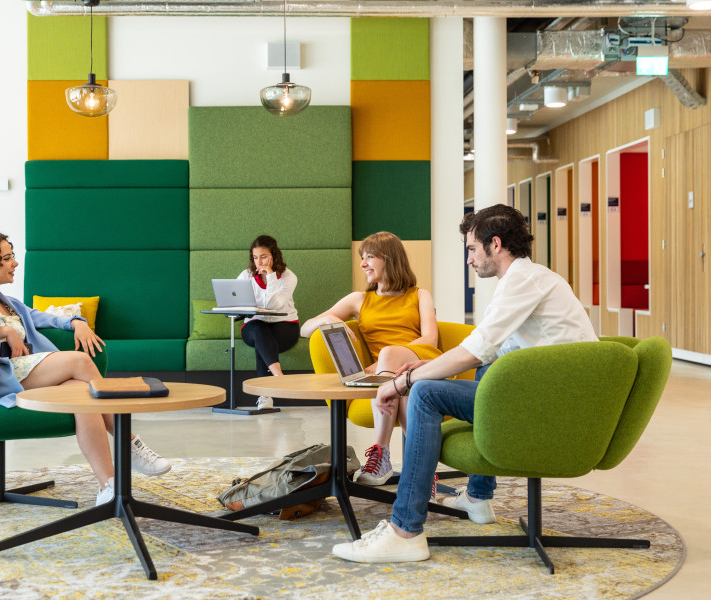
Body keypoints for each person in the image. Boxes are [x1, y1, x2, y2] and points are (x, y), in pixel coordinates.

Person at [331, 204, 599, 563]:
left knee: (424, 393)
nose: (470, 259)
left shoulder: (522, 282)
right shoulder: (532, 279)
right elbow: (490, 350)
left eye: (472, 249)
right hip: (553, 395)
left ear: (496, 245)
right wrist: (429, 363)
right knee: (485, 371)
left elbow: (477, 351)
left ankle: (405, 530)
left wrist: (405, 381)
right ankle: (478, 497)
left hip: (553, 406)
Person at [0, 231, 172, 507]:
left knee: (82, 394)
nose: (15, 264)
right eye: (6, 259)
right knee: (79, 361)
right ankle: (129, 443)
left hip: (26, 374)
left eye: (13, 256)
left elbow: (44, 317)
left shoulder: (9, 302)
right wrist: (2, 329)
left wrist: (77, 322)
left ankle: (108, 486)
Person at [300, 231, 441, 487]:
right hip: (392, 377)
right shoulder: (359, 299)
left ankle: (381, 452)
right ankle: (421, 473)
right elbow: (305, 328)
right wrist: (328, 319)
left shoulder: (419, 294)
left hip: (422, 361)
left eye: (370, 257)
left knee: (392, 358)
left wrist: (384, 361)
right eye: (361, 258)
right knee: (409, 391)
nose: (363, 263)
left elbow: (430, 340)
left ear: (390, 259)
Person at [238, 235, 299, 411]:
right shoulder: (246, 276)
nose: (259, 262)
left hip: (285, 325)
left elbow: (274, 306)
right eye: (255, 257)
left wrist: (271, 277)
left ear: (274, 255)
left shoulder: (288, 277)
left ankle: (265, 395)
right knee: (259, 329)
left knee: (262, 343)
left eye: (263, 256)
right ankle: (279, 378)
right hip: (254, 326)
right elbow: (236, 300)